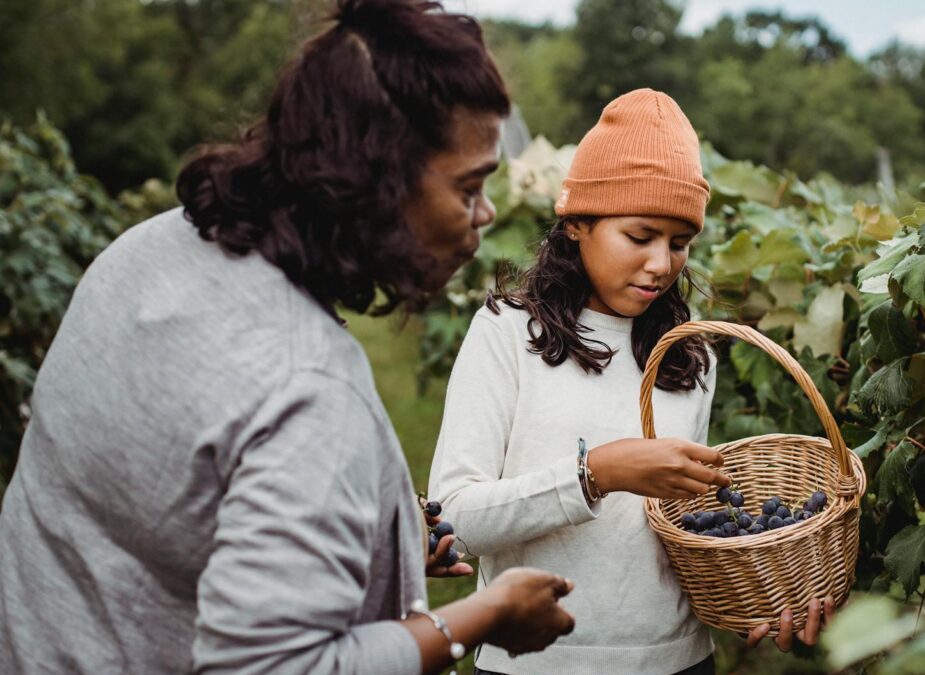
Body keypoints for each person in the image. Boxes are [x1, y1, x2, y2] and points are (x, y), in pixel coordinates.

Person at [0, 2, 575, 673]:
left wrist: (353, 537)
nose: (488, 212)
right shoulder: (310, 395)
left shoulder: (151, 247)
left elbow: (176, 493)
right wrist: (483, 615)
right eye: (470, 185)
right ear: (378, 183)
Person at [428, 89, 834, 675]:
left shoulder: (689, 353)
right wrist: (595, 475)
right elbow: (455, 521)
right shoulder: (507, 333)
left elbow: (682, 530)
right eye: (639, 237)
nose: (661, 265)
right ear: (576, 225)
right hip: (536, 663)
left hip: (678, 661)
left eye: (679, 243)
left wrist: (767, 595)